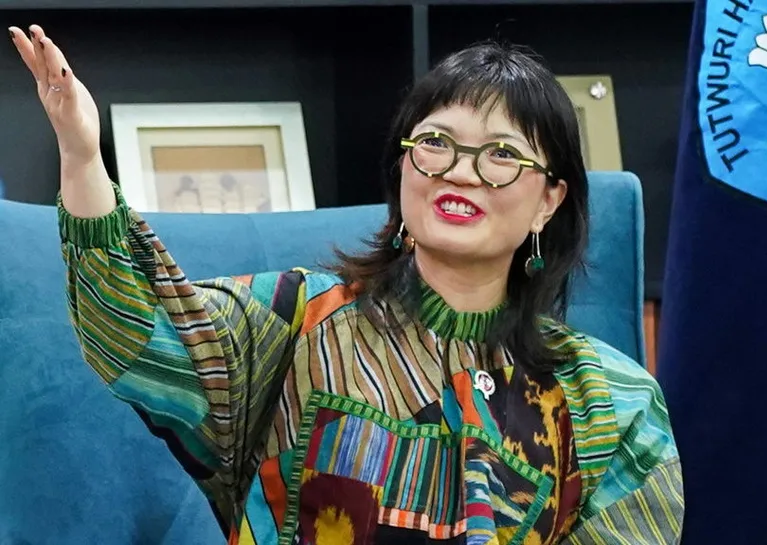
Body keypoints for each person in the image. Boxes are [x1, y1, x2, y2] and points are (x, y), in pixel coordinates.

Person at [9, 23, 684, 545]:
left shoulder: (611, 403)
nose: (461, 170)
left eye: (502, 153)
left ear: (549, 201)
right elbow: (140, 327)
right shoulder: (294, 321)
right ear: (402, 167)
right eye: (436, 142)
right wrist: (82, 157)